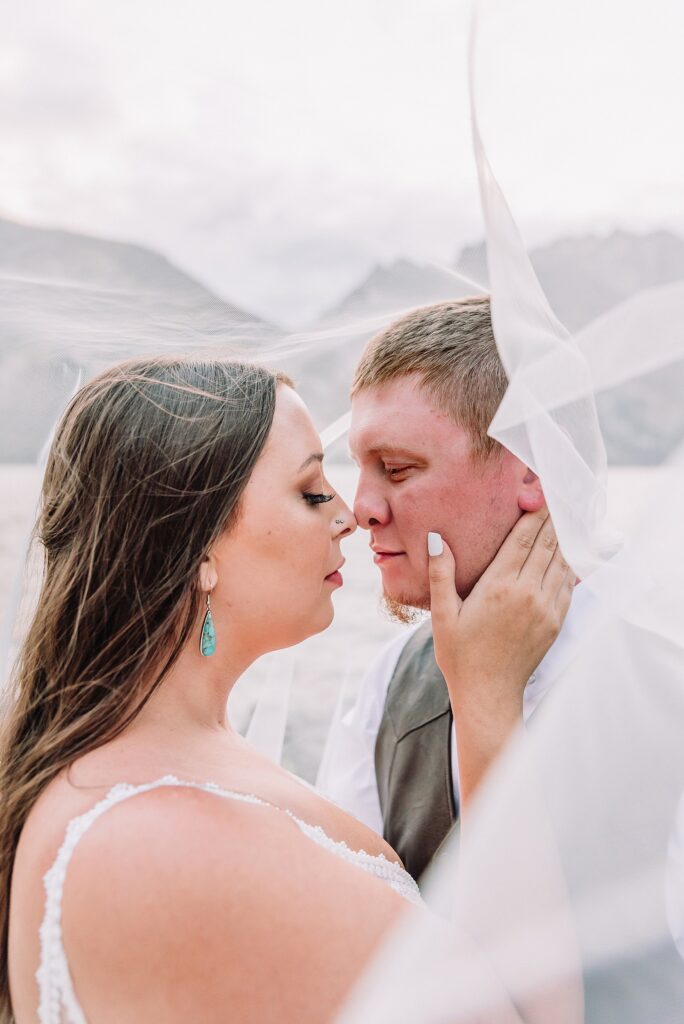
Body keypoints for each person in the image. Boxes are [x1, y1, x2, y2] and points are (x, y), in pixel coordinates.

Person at [0, 356, 573, 1024]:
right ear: (201, 548)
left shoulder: (174, 767)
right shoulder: (161, 841)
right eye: (309, 492)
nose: (350, 515)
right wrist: (486, 705)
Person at [319, 294, 590, 882]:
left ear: (532, 469)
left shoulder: (655, 663)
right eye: (357, 469)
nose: (360, 508)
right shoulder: (390, 683)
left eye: (395, 469)